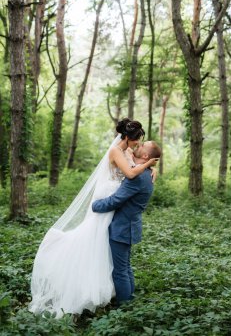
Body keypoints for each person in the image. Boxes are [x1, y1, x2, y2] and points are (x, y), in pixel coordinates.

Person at [29, 118, 158, 318]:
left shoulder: (130, 151)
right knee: (95, 242)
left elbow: (134, 172)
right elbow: (131, 174)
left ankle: (120, 300)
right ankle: (108, 296)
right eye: (137, 141)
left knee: (110, 255)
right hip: (108, 199)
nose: (138, 144)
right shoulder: (116, 150)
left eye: (140, 143)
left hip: (117, 203)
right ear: (128, 137)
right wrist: (148, 164)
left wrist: (151, 168)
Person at [92, 141, 161, 304]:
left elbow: (116, 200)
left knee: (120, 271)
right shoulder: (145, 172)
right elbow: (126, 150)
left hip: (122, 228)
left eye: (144, 144)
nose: (140, 144)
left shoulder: (138, 177)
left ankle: (124, 307)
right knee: (125, 267)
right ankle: (129, 300)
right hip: (129, 226)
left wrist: (94, 205)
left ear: (145, 156)